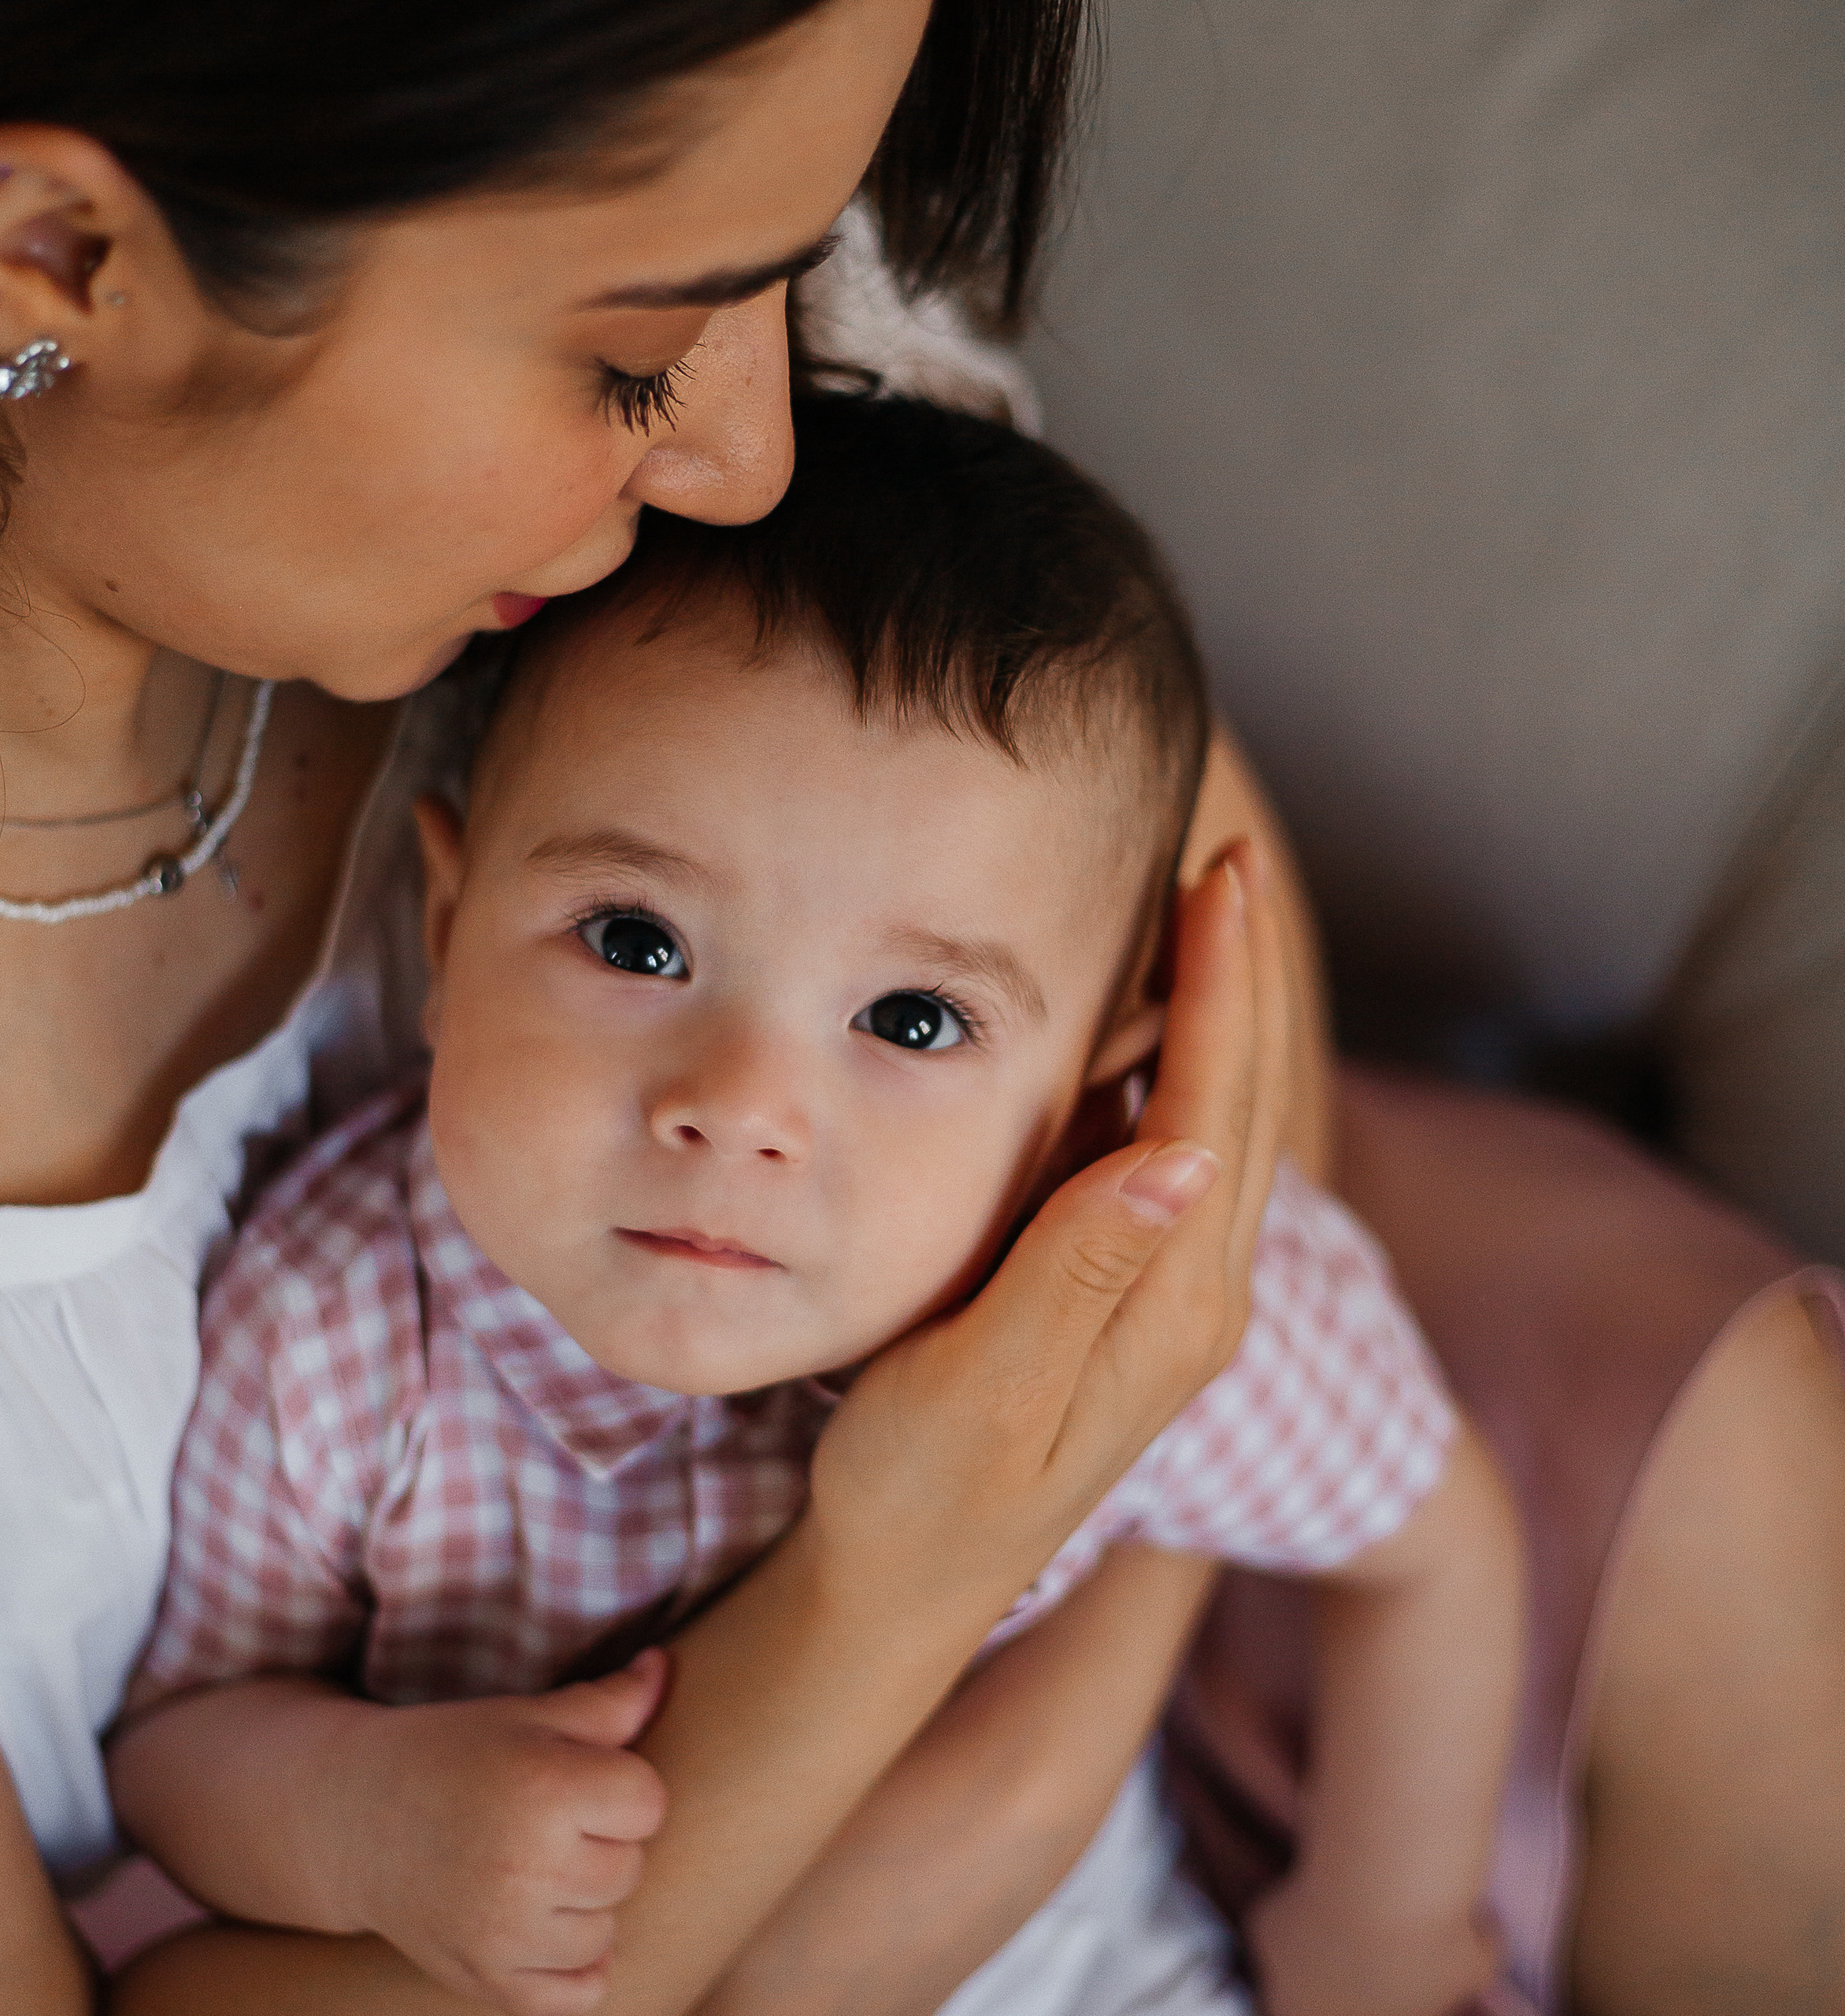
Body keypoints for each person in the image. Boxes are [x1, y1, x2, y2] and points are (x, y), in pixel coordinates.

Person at [0, 7, 1304, 2014]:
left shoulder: (705, 340)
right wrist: (904, 1595)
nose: (754, 456)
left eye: (790, 269)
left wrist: (1066, 1706)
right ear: (68, 257)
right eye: (631, 357)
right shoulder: (326, 1353)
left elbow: (1188, 911)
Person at [112, 395, 1523, 2016]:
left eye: (912, 1020)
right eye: (635, 941)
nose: (739, 1106)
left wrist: (1383, 1927)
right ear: (447, 927)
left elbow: (1437, 1554)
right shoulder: (336, 1327)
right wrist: (355, 1815)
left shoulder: (1132, 1303)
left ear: (1092, 1082)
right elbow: (178, 1739)